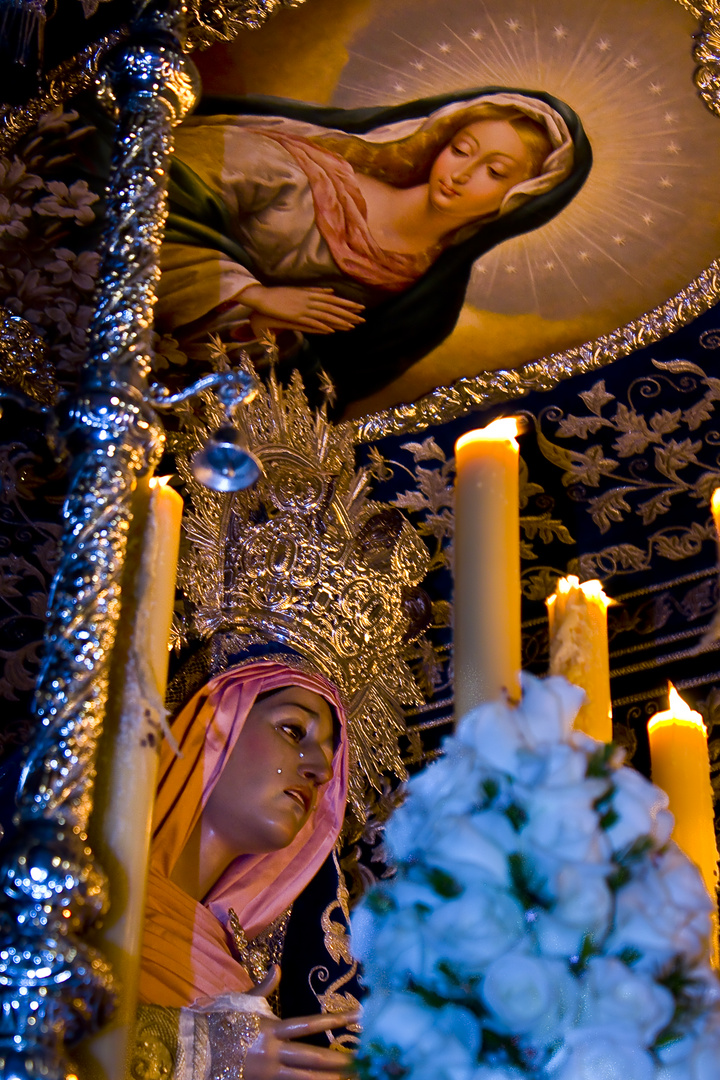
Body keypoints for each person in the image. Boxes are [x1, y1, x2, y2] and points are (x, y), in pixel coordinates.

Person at [156, 87, 591, 413]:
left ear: (520, 198)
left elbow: (316, 404)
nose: (461, 174)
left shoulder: (424, 310)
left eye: (494, 172)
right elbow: (159, 190)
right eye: (460, 150)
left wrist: (268, 327)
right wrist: (251, 294)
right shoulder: (302, 172)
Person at [133, 656, 358, 1080]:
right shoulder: (76, 889)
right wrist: (197, 1052)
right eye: (293, 730)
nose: (321, 770)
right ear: (215, 727)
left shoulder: (235, 973)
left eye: (330, 756)